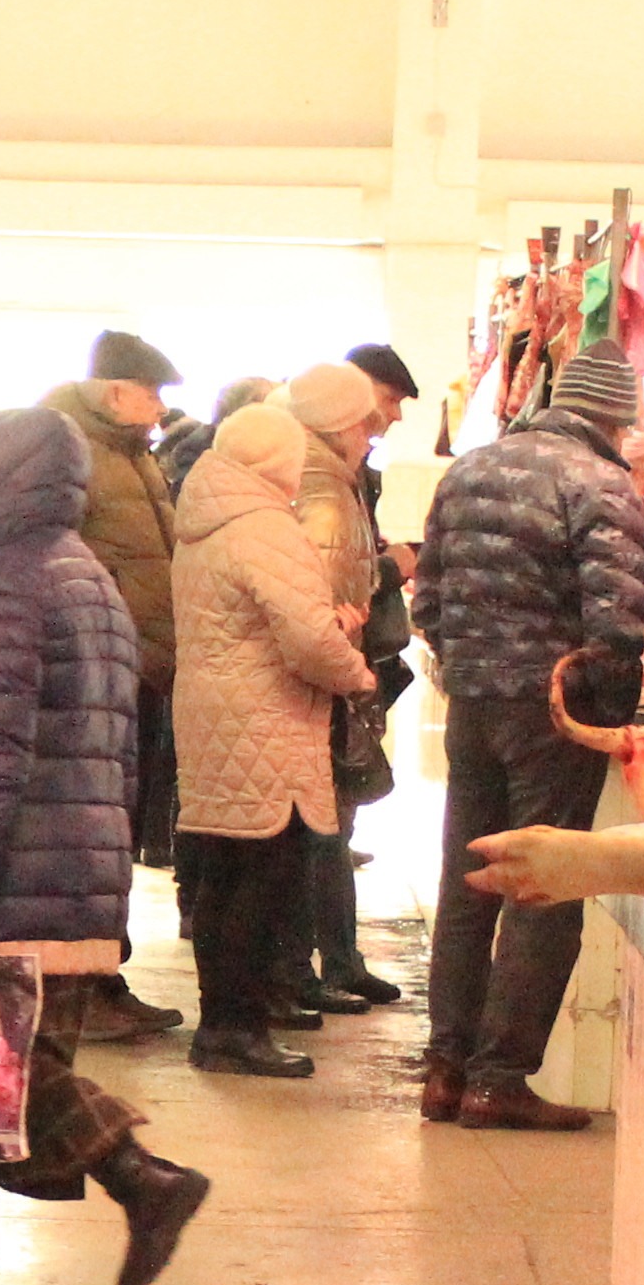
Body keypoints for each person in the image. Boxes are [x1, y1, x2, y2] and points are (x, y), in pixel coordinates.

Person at [0, 407, 215, 1285]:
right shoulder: (87, 576)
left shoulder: (9, 585)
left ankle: (142, 1178)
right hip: (81, 856)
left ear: (4, 482)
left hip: (24, 861)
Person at [411, 347, 644, 1131]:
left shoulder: (470, 468)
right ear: (617, 418)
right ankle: (500, 1079)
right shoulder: (600, 482)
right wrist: (607, 713)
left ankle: (445, 1070)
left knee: (468, 882)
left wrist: (466, 664)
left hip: (473, 702)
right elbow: (617, 622)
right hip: (551, 709)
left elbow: (427, 598)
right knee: (542, 888)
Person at [168, 397, 378, 1078]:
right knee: (264, 881)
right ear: (279, 462)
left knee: (225, 877)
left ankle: (221, 1026)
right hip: (266, 721)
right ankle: (238, 1030)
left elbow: (247, 621)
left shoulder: (205, 520)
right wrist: (356, 671)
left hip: (214, 718)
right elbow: (307, 641)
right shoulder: (266, 526)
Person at [43, 331, 189, 1021]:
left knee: (116, 833)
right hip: (93, 669)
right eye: (152, 394)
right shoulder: (68, 450)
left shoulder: (134, 453)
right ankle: (82, 987)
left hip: (137, 668)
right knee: (88, 836)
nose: (161, 409)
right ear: (114, 392)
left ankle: (104, 977)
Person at [277, 358, 411, 1017]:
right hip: (321, 683)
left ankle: (331, 961)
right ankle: (303, 970)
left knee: (327, 826)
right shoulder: (323, 489)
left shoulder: (338, 478)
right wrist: (393, 569)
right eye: (381, 404)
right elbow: (326, 604)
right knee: (316, 828)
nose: (388, 419)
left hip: (329, 677)